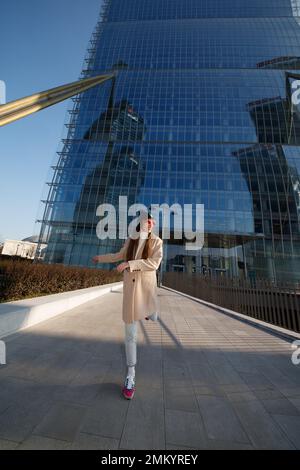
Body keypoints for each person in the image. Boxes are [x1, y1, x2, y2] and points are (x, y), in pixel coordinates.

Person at [92, 211, 163, 399]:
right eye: (149, 221)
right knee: (130, 334)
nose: (152, 224)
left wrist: (130, 264)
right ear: (141, 222)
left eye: (153, 222)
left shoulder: (156, 241)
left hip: (145, 289)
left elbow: (154, 264)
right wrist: (101, 257)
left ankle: (151, 310)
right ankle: (131, 375)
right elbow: (117, 256)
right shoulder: (130, 239)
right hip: (131, 293)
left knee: (152, 314)